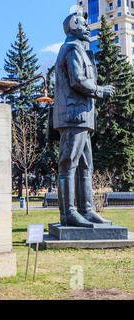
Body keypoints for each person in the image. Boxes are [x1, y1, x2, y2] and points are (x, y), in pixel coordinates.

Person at [54, 10, 115, 227]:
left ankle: (86, 210)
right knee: (69, 164)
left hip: (83, 118)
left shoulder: (79, 49)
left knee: (86, 165)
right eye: (82, 24)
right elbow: (78, 81)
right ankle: (69, 213)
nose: (87, 27)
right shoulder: (71, 49)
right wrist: (100, 90)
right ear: (72, 26)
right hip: (73, 116)